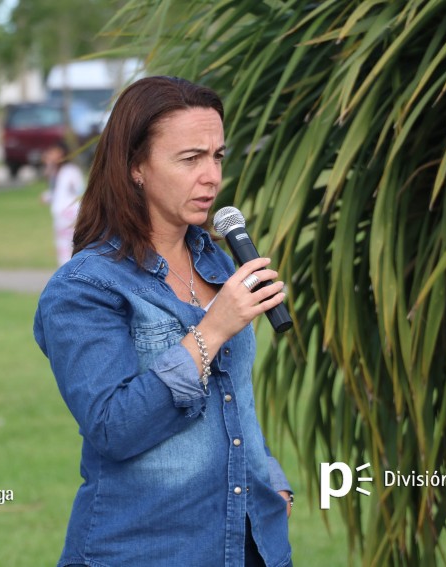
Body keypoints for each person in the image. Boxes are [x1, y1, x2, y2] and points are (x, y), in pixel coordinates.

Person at [33, 76, 293, 567]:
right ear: (136, 167)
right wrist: (212, 331)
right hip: (146, 549)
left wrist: (270, 479)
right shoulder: (86, 288)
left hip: (252, 545)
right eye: (190, 158)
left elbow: (236, 402)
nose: (211, 176)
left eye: (217, 156)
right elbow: (112, 427)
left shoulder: (220, 265)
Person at [41, 140, 85, 266]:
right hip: (60, 214)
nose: (49, 155)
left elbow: (78, 191)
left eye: (53, 152)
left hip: (69, 214)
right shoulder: (56, 172)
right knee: (63, 247)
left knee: (68, 245)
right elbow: (56, 191)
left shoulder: (70, 171)